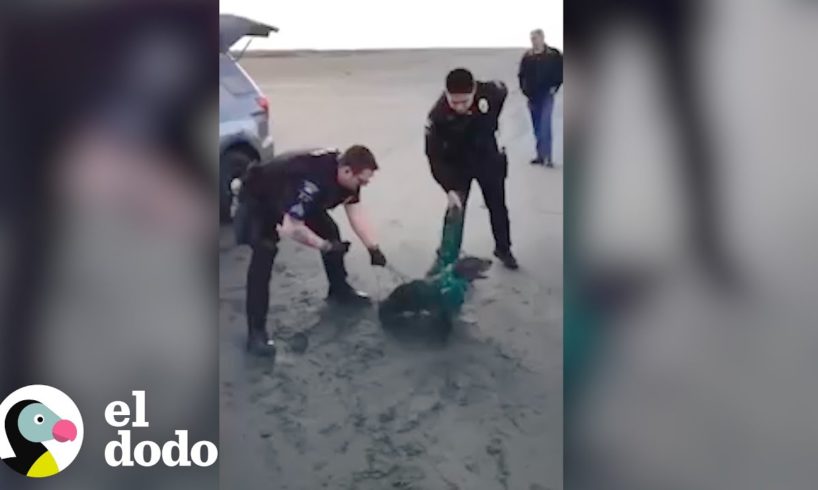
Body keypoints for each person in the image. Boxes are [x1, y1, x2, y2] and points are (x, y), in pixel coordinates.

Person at [235, 145, 388, 356]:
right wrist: (325, 247)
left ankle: (339, 290)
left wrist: (373, 248)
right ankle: (256, 334)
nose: (363, 186)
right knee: (264, 255)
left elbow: (355, 213)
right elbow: (292, 228)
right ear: (346, 171)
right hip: (261, 199)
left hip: (293, 198)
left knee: (330, 230)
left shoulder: (348, 177)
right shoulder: (312, 183)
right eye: (361, 181)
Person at [424, 68, 519, 270]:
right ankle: (447, 255)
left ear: (474, 91)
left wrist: (492, 121)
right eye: (453, 101)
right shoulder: (437, 116)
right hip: (457, 165)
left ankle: (504, 249)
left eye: (464, 101)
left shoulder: (491, 93)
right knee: (455, 210)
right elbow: (434, 157)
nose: (458, 106)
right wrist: (448, 188)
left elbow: (503, 88)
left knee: (498, 206)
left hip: (488, 159)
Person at [518, 28, 563, 167]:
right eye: (532, 39)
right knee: (537, 125)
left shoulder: (554, 54)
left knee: (545, 124)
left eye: (536, 38)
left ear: (542, 38)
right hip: (532, 95)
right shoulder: (527, 56)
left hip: (547, 94)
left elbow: (561, 71)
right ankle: (540, 155)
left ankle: (548, 156)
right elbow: (521, 75)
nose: (534, 41)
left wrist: (555, 86)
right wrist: (524, 90)